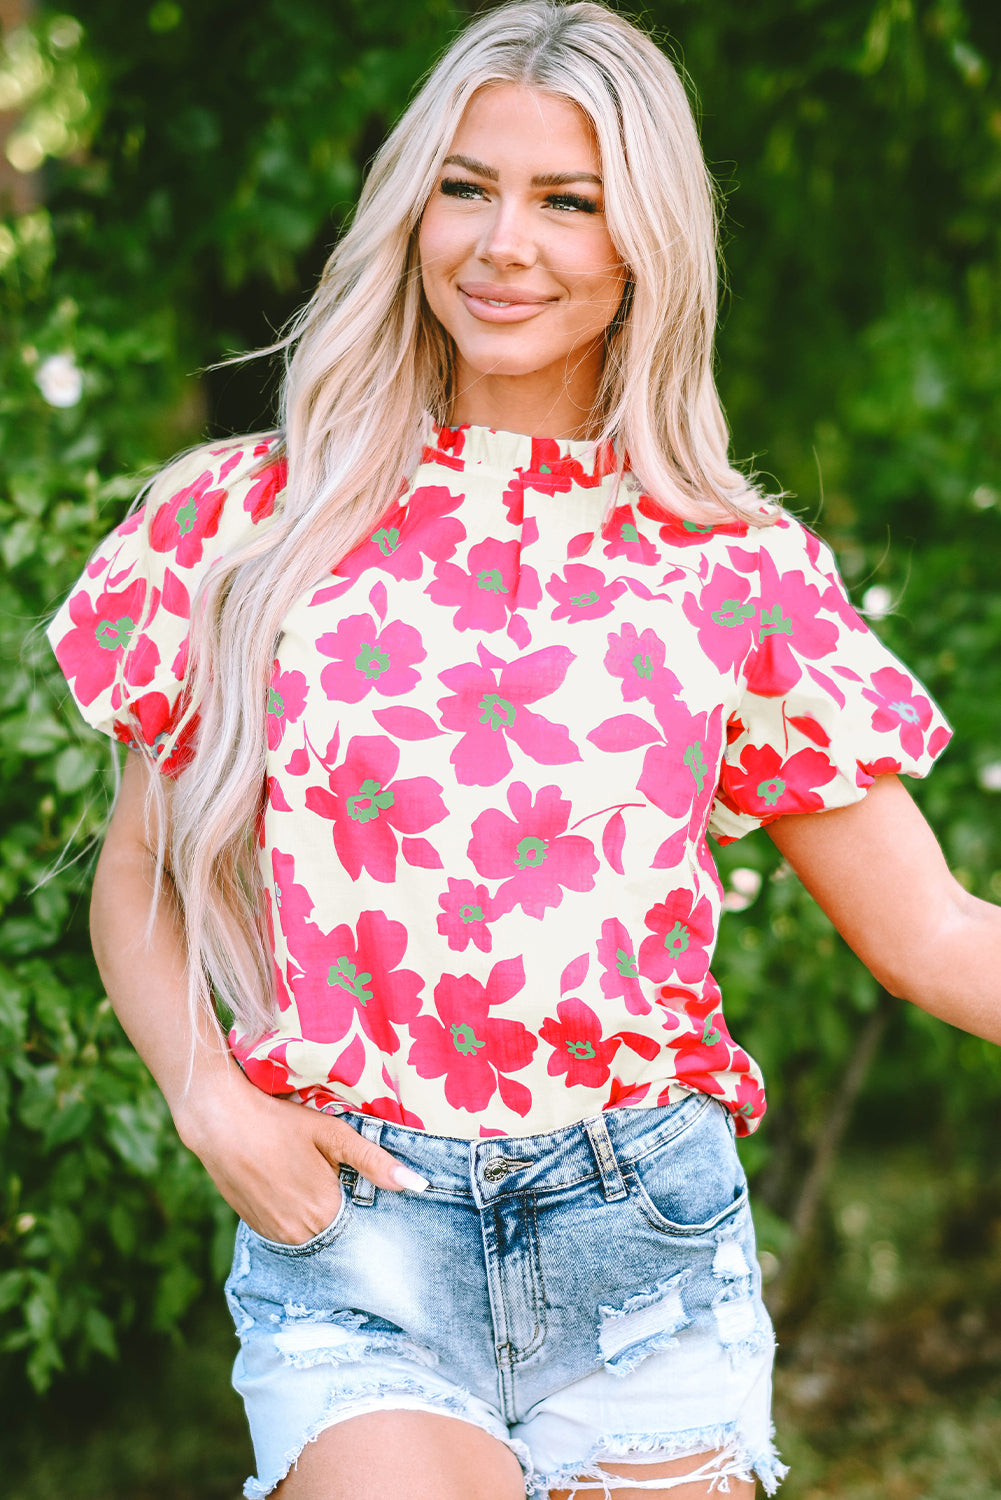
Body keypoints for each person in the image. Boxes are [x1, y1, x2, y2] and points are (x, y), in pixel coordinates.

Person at [46, 2, 1001, 1497]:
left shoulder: (731, 567)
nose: (505, 244)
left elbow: (931, 934)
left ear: (646, 243)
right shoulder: (243, 521)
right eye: (467, 186)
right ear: (412, 203)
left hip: (646, 1240)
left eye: (569, 200)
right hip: (359, 1236)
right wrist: (210, 1099)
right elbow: (142, 879)